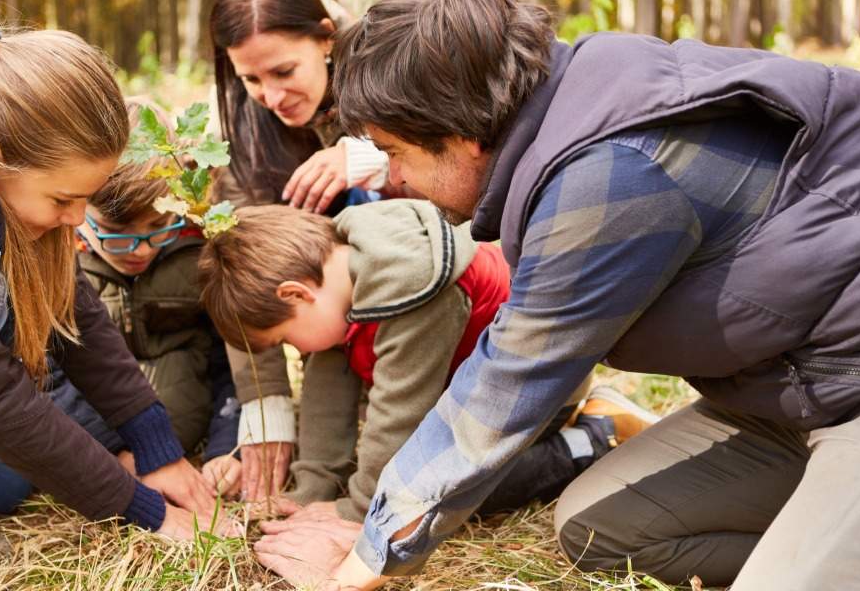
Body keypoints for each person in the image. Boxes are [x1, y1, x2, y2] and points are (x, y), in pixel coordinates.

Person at [252, 0, 860, 591]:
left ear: (463, 135)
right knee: (600, 532)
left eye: (397, 153)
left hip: (858, 392)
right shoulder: (573, 107)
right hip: (786, 398)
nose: (394, 179)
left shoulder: (612, 175)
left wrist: (356, 564)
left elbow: (506, 385)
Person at [0, 0, 226, 588]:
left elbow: (68, 300)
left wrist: (153, 442)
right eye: (64, 199)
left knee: (2, 484)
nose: (78, 219)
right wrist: (142, 508)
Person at [198, 200, 657, 522]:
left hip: (534, 395)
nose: (298, 352)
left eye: (287, 339)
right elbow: (326, 393)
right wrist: (312, 488)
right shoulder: (341, 278)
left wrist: (359, 511)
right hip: (467, 394)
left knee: (448, 492)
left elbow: (401, 413)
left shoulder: (410, 288)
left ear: (296, 294)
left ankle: (596, 435)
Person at [208, 0, 393, 505]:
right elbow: (245, 271)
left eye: (285, 71)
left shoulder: (395, 71)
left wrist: (376, 162)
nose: (270, 95)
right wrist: (266, 409)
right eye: (250, 79)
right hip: (332, 322)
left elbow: (467, 199)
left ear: (326, 39)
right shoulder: (244, 137)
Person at [48, 99, 243, 496]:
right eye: (116, 231)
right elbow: (46, 377)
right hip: (103, 447)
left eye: (157, 226)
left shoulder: (198, 255)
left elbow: (233, 363)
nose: (139, 249)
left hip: (193, 433)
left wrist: (228, 447)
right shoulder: (57, 265)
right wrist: (115, 453)